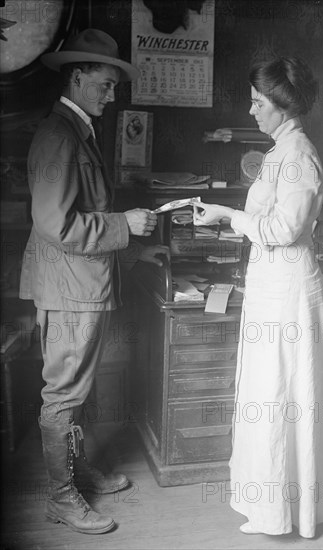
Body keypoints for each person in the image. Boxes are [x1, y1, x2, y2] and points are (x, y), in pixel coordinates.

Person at [19, 28, 168, 535]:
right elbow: (56, 225)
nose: (111, 95)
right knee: (63, 393)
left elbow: (83, 217)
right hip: (69, 290)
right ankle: (61, 498)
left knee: (76, 390)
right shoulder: (58, 136)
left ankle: (77, 474)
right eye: (105, 85)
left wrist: (137, 246)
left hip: (80, 285)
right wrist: (126, 225)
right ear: (78, 78)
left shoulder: (75, 131)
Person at [193, 57, 323, 538]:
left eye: (258, 102)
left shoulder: (297, 154)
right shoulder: (281, 150)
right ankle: (271, 508)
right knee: (268, 397)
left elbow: (283, 229)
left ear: (282, 105)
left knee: (281, 398)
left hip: (289, 295)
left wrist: (227, 216)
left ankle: (288, 512)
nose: (252, 110)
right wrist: (225, 214)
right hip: (272, 290)